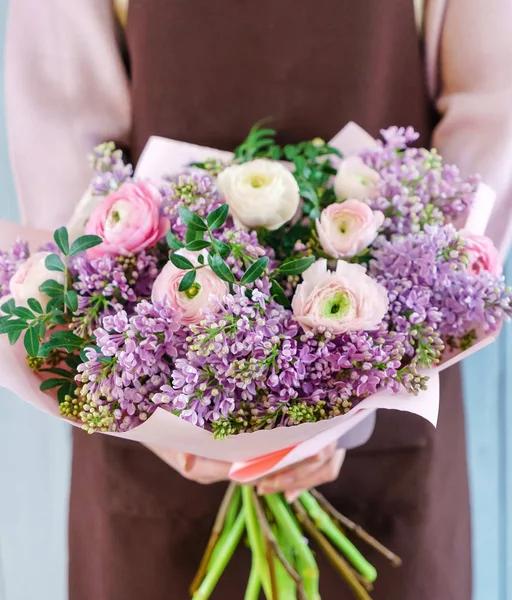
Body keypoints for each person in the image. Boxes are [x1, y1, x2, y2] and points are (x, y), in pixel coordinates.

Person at [5, 0, 512, 598]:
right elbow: (64, 117)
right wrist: (138, 382)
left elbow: (491, 114)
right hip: (152, 400)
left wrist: (359, 389)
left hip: (386, 417)